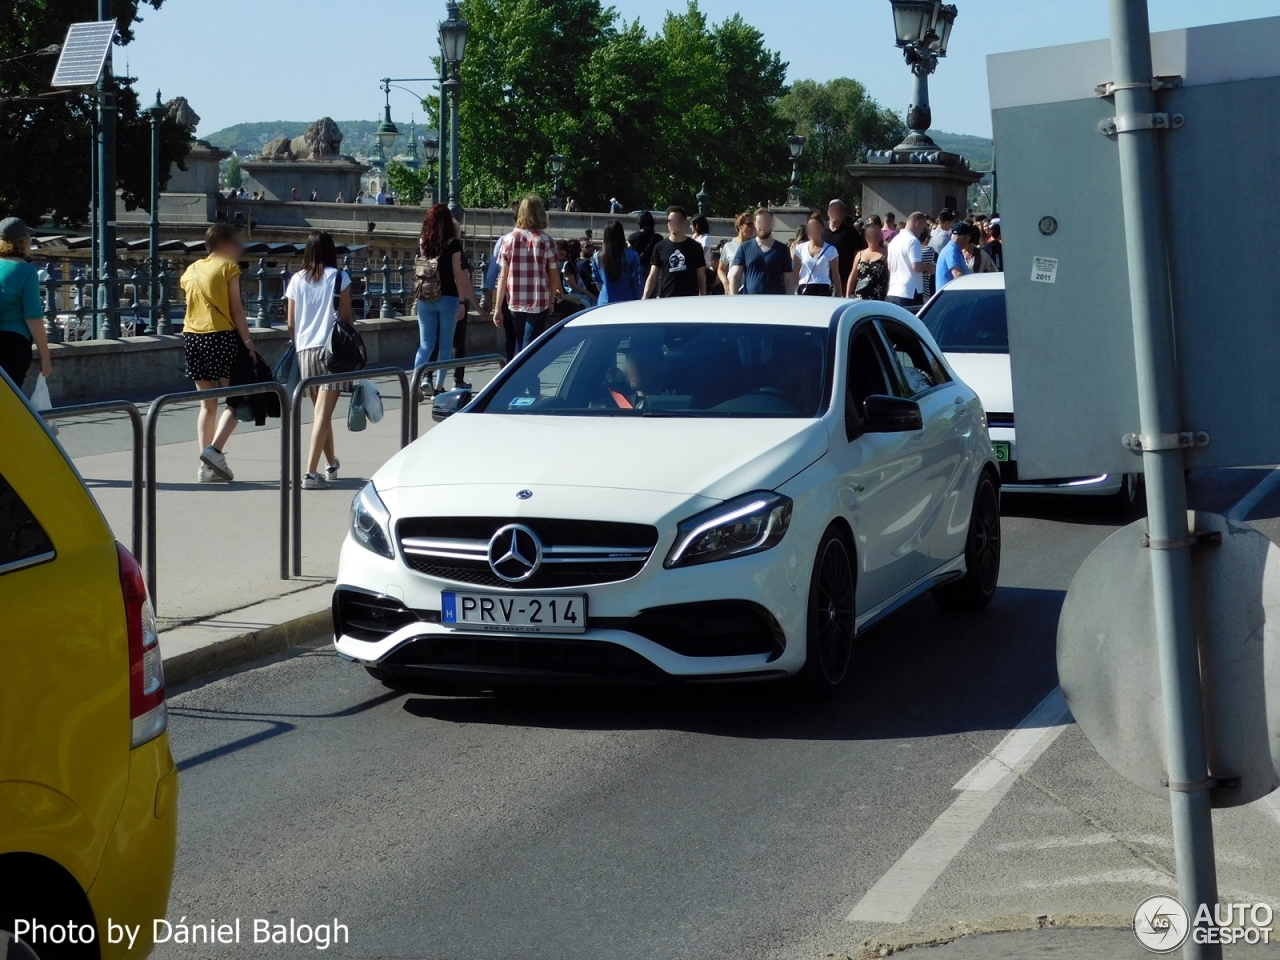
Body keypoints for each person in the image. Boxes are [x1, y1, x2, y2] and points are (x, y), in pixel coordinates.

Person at [180, 223, 253, 483]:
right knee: (239, 398)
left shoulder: (191, 270)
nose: (239, 248)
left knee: (207, 405)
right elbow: (236, 310)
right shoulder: (228, 267)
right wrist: (247, 341)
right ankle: (214, 450)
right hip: (221, 337)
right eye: (236, 243)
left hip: (192, 338)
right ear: (224, 245)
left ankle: (205, 467)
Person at [286, 231, 351, 489]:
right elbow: (346, 318)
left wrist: (300, 341)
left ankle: (331, 463)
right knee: (323, 413)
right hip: (331, 350)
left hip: (305, 351)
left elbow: (291, 322)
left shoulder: (296, 280)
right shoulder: (338, 277)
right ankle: (310, 474)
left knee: (320, 412)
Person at [416, 204, 488, 394]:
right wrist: (463, 301)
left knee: (426, 344)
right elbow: (459, 275)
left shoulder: (423, 240)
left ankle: (415, 385)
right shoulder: (454, 244)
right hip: (448, 297)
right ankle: (439, 387)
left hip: (425, 297)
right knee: (446, 344)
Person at [494, 194, 561, 352]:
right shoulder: (546, 240)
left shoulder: (508, 240)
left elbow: (503, 275)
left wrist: (497, 308)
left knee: (519, 341)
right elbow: (553, 276)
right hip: (539, 300)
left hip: (515, 300)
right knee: (531, 345)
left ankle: (520, 373)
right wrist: (551, 300)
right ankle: (526, 375)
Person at [0, 218, 51, 389]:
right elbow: (34, 318)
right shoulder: (27, 271)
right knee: (10, 399)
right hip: (14, 343)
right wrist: (45, 357)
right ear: (24, 241)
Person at [728, 207, 795, 296]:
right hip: (750, 302)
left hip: (776, 303)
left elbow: (788, 280)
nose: (763, 225)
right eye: (760, 222)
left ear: (772, 223)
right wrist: (734, 299)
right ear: (755, 224)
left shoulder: (782, 250)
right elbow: (735, 276)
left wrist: (789, 302)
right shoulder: (744, 247)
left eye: (767, 221)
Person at [482, 203, 520, 361]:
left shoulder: (504, 241)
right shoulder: (540, 240)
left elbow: (493, 272)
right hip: (531, 295)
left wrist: (488, 298)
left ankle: (510, 368)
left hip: (506, 294)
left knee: (510, 337)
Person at [643, 206, 706, 298]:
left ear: (684, 222)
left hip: (690, 299)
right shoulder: (660, 247)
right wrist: (645, 297)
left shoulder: (695, 247)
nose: (673, 224)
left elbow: (701, 275)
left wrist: (703, 296)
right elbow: (652, 275)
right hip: (667, 298)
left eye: (677, 220)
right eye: (670, 221)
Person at [885, 211, 934, 309]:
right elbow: (916, 266)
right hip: (910, 291)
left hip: (894, 291)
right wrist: (929, 267)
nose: (922, 232)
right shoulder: (913, 240)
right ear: (917, 224)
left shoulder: (894, 240)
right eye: (923, 228)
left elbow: (890, 266)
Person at [592, 218, 643, 304]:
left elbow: (598, 284)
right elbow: (637, 282)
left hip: (605, 301)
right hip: (627, 301)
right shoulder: (632, 255)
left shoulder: (597, 256)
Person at [793, 213, 840, 296]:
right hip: (804, 288)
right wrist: (792, 291)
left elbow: (835, 274)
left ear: (822, 229)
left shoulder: (831, 249)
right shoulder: (800, 248)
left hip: (823, 288)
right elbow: (795, 272)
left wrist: (840, 294)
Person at [823, 199, 864, 294]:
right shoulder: (822, 231)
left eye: (840, 210)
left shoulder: (850, 232)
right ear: (828, 212)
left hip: (844, 277)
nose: (836, 212)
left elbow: (858, 253)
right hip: (823, 278)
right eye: (834, 209)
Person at [846, 221, 890, 301]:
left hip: (878, 297)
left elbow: (891, 276)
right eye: (870, 235)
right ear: (866, 237)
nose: (873, 237)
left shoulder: (886, 254)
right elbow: (853, 276)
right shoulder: (860, 254)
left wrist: (888, 294)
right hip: (859, 296)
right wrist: (847, 295)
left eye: (875, 235)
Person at [718, 213, 754, 294]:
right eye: (749, 224)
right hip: (733, 290)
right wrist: (725, 282)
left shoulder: (755, 246)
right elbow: (721, 269)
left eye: (754, 225)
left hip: (750, 290)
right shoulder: (728, 246)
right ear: (740, 225)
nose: (752, 228)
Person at [935, 222, 973, 291]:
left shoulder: (953, 249)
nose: (969, 240)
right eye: (969, 237)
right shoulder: (951, 251)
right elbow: (958, 275)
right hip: (949, 298)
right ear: (964, 237)